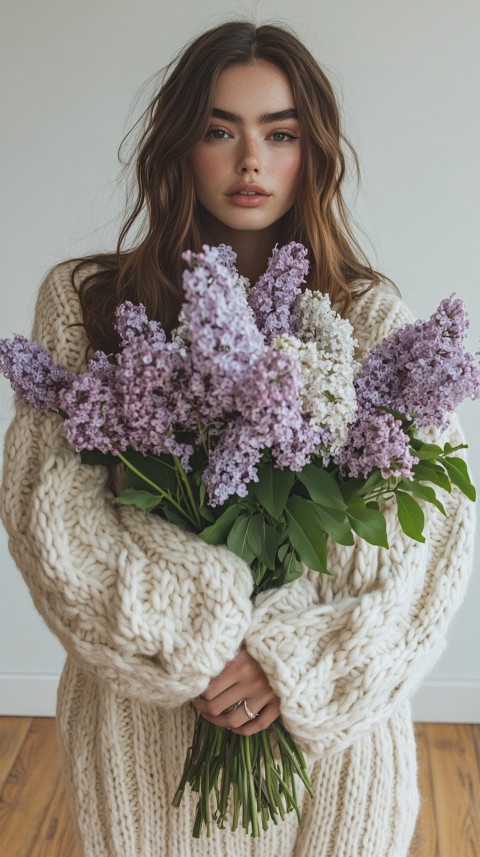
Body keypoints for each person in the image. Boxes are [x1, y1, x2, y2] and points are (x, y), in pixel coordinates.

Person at [0, 20, 475, 857]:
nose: (250, 160)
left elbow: (428, 551)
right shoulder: (89, 304)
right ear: (179, 147)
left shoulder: (376, 325)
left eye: (279, 133)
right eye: (220, 130)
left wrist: (288, 662)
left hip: (332, 744)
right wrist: (201, 645)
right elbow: (51, 516)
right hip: (145, 727)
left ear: (312, 153)